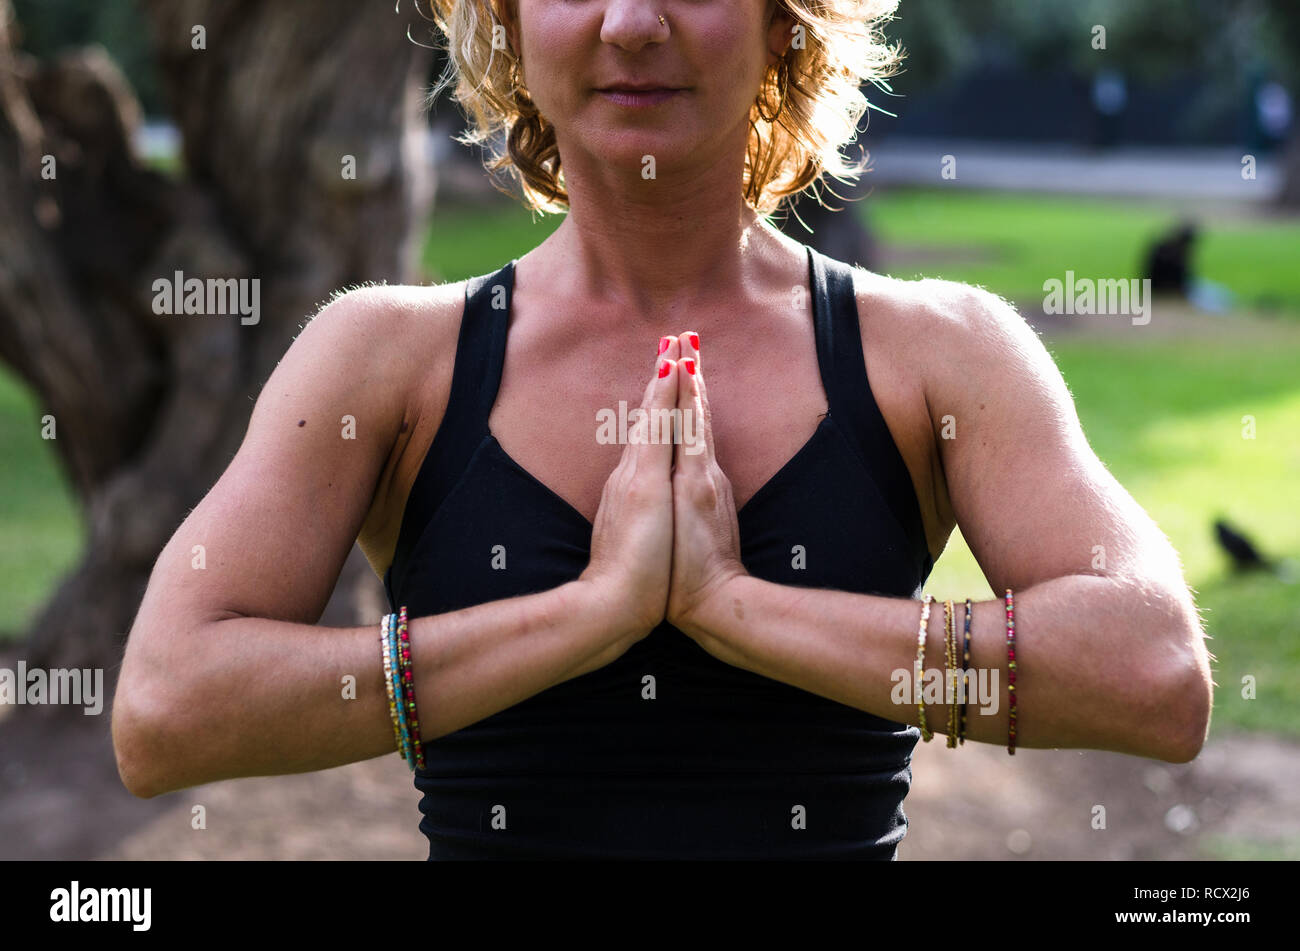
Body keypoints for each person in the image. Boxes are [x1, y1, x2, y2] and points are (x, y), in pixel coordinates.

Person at [111, 0, 1213, 859]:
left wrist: (734, 607)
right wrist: (589, 615)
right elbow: (166, 711)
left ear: (783, 21)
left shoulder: (935, 354)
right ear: (505, 22)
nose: (632, 23)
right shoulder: (387, 362)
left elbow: (1155, 673)